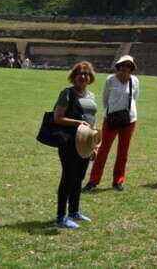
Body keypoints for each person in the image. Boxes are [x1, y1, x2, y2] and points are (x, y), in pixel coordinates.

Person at [84, 55, 139, 192]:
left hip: (129, 120)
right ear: (118, 67)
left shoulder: (135, 81)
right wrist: (111, 111)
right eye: (122, 66)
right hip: (111, 119)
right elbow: (105, 99)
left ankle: (118, 181)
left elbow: (135, 98)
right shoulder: (111, 80)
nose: (125, 69)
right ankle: (93, 181)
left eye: (128, 67)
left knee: (123, 152)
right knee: (103, 150)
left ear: (131, 69)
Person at [52, 61, 98, 229]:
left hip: (86, 142)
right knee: (68, 177)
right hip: (69, 141)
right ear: (74, 76)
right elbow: (58, 118)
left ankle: (74, 211)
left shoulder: (91, 96)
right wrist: (79, 122)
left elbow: (92, 121)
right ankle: (60, 216)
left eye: (86, 74)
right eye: (80, 73)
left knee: (79, 178)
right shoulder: (67, 93)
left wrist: (94, 146)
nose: (83, 77)